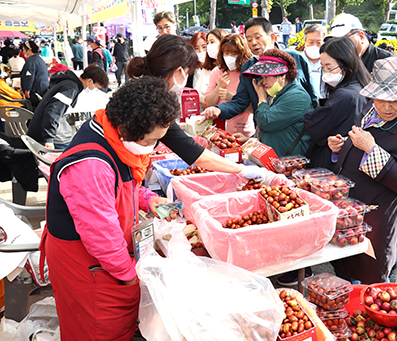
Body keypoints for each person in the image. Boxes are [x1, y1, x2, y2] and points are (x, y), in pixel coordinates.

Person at [40, 76, 180, 341]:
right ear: (128, 129)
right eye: (152, 140)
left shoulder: (111, 133)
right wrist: (129, 276)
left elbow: (116, 189)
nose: (154, 146)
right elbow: (100, 235)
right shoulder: (90, 166)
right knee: (99, 330)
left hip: (106, 258)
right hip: (87, 264)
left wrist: (148, 199)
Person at [327, 56, 397, 283]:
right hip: (348, 211)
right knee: (343, 267)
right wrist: (342, 146)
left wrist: (372, 150)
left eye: (395, 100)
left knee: (370, 276)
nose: (386, 106)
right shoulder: (368, 109)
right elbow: (359, 142)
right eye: (380, 98)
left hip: (376, 216)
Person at [126, 34, 281, 180]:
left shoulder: (142, 92)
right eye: (187, 72)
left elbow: (184, 145)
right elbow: (189, 149)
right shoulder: (152, 103)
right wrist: (242, 170)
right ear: (179, 71)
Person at [202, 17, 317, 122]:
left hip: (298, 129)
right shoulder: (248, 68)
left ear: (272, 37)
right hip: (265, 130)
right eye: (249, 39)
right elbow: (240, 101)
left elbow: (313, 95)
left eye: (258, 37)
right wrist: (219, 110)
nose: (253, 43)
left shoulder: (295, 58)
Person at [304, 37, 371, 170]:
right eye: (322, 67)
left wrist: (311, 114)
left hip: (333, 162)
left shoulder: (345, 95)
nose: (325, 73)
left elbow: (316, 124)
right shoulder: (362, 85)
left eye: (329, 67)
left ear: (347, 64)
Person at [241, 49, 312, 156]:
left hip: (288, 164)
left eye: (266, 77)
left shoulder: (297, 97)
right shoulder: (278, 94)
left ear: (282, 75)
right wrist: (248, 140)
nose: (262, 82)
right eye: (262, 77)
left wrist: (261, 97)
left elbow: (265, 122)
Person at [27, 65, 108, 150]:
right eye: (97, 87)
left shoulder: (68, 83)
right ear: (90, 81)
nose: (94, 90)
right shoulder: (71, 89)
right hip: (46, 136)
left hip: (43, 131)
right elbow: (53, 111)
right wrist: (49, 138)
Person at [204, 34, 255, 139]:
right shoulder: (217, 72)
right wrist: (219, 87)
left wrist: (232, 97)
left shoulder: (248, 74)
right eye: (226, 53)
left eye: (234, 54)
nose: (229, 58)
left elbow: (255, 108)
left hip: (245, 130)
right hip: (220, 131)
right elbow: (207, 103)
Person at [328, 13, 394, 73]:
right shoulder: (339, 61)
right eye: (334, 40)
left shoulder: (386, 60)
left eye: (343, 39)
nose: (339, 44)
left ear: (361, 36)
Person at [199, 29, 229, 106]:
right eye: (208, 43)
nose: (209, 46)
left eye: (212, 42)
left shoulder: (231, 68)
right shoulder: (207, 68)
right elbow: (199, 90)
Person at [20, 39, 49, 108]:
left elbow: (29, 76)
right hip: (41, 89)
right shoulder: (38, 59)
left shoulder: (31, 61)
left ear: (29, 50)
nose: (23, 52)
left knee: (32, 108)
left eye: (24, 50)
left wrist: (27, 89)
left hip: (35, 91)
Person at [302, 24, 326, 103]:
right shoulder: (298, 62)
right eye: (311, 42)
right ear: (305, 42)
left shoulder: (329, 63)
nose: (314, 46)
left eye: (318, 43)